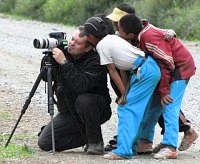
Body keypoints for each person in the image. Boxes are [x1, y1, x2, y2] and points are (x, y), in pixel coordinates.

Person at [105, 3, 198, 153]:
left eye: (118, 23)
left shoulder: (145, 36)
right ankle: (145, 142)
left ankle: (170, 146)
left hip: (179, 68)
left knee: (169, 104)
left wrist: (164, 90)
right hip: (161, 71)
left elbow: (166, 62)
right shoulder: (128, 35)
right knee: (152, 107)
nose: (115, 26)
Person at [80, 16, 161, 160]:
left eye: (86, 36)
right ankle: (133, 147)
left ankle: (123, 151)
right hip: (146, 67)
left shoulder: (102, 46)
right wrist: (125, 93)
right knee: (133, 108)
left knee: (126, 109)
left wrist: (124, 95)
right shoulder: (112, 38)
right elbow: (122, 68)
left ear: (91, 36)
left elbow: (112, 71)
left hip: (144, 71)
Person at [38, 26, 112, 155]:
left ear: (88, 47)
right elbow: (45, 77)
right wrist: (49, 60)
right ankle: (86, 137)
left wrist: (64, 63)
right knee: (45, 143)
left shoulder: (95, 61)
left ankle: (95, 142)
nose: (71, 43)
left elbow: (80, 86)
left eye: (77, 42)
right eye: (72, 39)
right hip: (69, 110)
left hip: (94, 109)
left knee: (84, 100)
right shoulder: (65, 53)